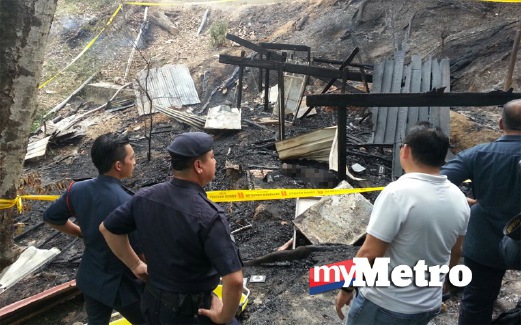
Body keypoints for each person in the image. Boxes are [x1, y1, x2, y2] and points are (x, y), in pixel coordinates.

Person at [99, 131, 244, 325]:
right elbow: (234, 281)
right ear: (198, 166)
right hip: (192, 314)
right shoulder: (209, 217)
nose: (215, 161)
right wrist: (224, 316)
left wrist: (135, 265)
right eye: (212, 157)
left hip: (152, 308)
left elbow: (107, 228)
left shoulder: (144, 197)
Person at [335, 122, 470, 325]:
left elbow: (370, 253)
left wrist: (347, 288)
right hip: (428, 305)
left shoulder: (397, 193)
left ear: (405, 150)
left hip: (387, 304)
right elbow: (456, 252)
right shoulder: (459, 198)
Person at [43, 132, 145, 325]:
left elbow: (51, 217)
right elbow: (139, 254)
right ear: (118, 166)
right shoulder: (128, 203)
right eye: (131, 158)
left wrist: (81, 232)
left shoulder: (77, 189)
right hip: (122, 285)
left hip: (91, 276)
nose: (135, 161)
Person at [440, 99, 521, 325]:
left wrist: (460, 199)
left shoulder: (478, 154)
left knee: (476, 303)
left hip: (485, 244)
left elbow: (435, 182)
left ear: (500, 123)